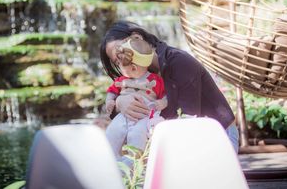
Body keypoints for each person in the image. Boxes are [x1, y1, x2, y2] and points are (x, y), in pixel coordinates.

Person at [100, 21, 239, 153]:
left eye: (122, 53)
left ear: (137, 38)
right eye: (117, 61)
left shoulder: (179, 62)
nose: (122, 61)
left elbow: (188, 119)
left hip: (218, 137)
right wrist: (119, 103)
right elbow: (122, 111)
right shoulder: (137, 75)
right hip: (180, 137)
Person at [104, 38, 167, 164]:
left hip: (143, 117)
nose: (119, 69)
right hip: (123, 116)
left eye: (120, 65)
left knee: (137, 138)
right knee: (112, 133)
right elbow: (112, 91)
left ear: (133, 68)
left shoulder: (155, 80)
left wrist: (161, 103)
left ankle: (132, 166)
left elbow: (165, 96)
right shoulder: (121, 80)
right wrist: (110, 101)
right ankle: (109, 161)